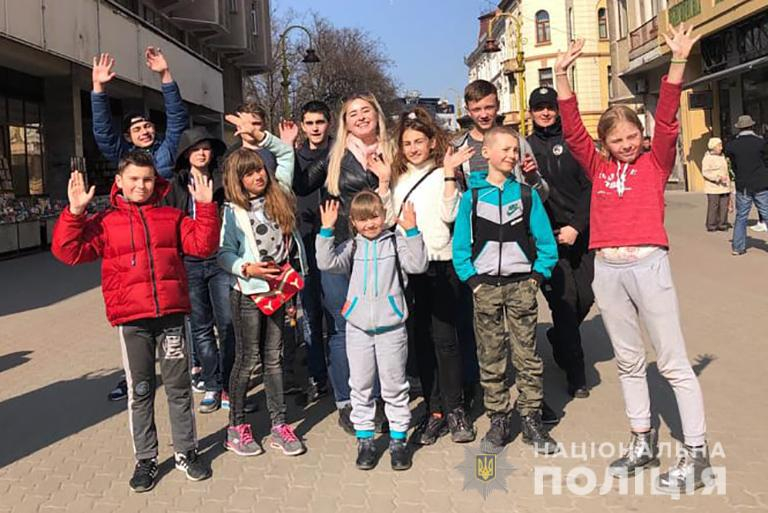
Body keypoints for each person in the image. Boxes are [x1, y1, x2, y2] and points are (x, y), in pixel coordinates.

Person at [556, 27, 712, 493]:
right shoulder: (599, 167)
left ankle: (697, 454)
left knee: (672, 362)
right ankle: (642, 440)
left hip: (648, 266)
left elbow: (668, 120)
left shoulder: (655, 163)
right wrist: (562, 75)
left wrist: (678, 61)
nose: (625, 144)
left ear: (642, 138)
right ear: (604, 143)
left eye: (632, 136)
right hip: (608, 269)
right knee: (628, 361)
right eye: (616, 139)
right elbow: (573, 131)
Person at [52, 152, 216, 492]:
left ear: (156, 181)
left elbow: (203, 246)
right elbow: (68, 252)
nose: (141, 186)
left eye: (147, 179)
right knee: (140, 391)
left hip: (171, 318)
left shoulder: (171, 216)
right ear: (119, 182)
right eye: (134, 179)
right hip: (133, 321)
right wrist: (75, 213)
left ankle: (186, 451)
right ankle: (146, 458)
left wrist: (205, 207)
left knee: (179, 389)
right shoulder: (105, 222)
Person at [452, 126, 559, 456]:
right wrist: (473, 281)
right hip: (485, 288)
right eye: (506, 149)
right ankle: (498, 418)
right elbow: (460, 247)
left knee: (527, 356)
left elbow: (546, 243)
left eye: (516, 149)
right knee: (491, 356)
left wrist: (536, 278)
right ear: (486, 153)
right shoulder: (471, 198)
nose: (513, 155)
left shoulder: (526, 196)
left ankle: (531, 418)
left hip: (521, 287)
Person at [293, 93, 395, 435]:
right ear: (345, 122)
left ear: (377, 115)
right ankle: (346, 402)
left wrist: (385, 179)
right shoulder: (335, 154)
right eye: (353, 113)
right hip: (340, 248)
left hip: (378, 251)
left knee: (377, 326)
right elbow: (301, 184)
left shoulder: (392, 151)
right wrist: (285, 146)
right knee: (341, 326)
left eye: (366, 110)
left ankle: (377, 399)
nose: (361, 117)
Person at [316, 192, 429, 471]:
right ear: (353, 222)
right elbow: (326, 263)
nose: (369, 224)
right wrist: (326, 231)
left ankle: (398, 441)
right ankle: (365, 440)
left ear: (384, 215)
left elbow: (418, 265)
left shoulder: (396, 242)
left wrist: (412, 232)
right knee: (361, 385)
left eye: (374, 217)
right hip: (358, 329)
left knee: (394, 386)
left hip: (392, 328)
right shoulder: (352, 246)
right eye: (362, 219)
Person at [218, 120, 307, 457]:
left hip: (280, 288)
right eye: (249, 173)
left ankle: (279, 425)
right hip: (248, 292)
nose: (258, 176)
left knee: (274, 358)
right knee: (247, 359)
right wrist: (246, 268)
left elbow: (285, 154)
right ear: (237, 179)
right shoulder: (232, 211)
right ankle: (236, 426)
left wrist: (260, 137)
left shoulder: (279, 193)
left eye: (259, 170)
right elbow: (223, 253)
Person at [390, 108, 476, 445]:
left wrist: (450, 175)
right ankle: (434, 409)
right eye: (407, 143)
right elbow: (387, 218)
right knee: (421, 341)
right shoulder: (397, 178)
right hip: (410, 268)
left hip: (441, 264)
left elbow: (451, 214)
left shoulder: (443, 172)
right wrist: (382, 182)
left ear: (431, 142)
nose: (413, 148)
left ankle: (455, 409)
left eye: (418, 141)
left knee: (445, 339)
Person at [163, 126, 243, 414]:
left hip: (220, 260)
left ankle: (229, 385)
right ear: (185, 154)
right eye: (195, 149)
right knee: (200, 327)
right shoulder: (175, 185)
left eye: (205, 148)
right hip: (189, 262)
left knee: (228, 324)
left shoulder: (224, 180)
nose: (201, 153)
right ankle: (211, 383)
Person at [527, 86, 594, 399]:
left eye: (550, 107)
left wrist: (577, 227)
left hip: (581, 234)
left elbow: (590, 188)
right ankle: (576, 373)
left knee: (586, 298)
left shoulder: (574, 142)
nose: (545, 112)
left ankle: (558, 337)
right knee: (564, 304)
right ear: (531, 112)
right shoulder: (526, 148)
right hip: (548, 240)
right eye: (539, 108)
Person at [279, 100, 335, 403]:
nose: (315, 128)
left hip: (336, 239)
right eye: (310, 123)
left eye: (320, 122)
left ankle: (340, 374)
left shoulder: (340, 151)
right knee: (311, 313)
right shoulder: (295, 156)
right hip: (304, 240)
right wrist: (287, 147)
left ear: (329, 123)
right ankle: (317, 375)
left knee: (336, 312)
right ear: (302, 126)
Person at [90, 49, 188, 180]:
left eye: (147, 126)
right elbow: (103, 132)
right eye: (136, 129)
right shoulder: (124, 155)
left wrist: (165, 74)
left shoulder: (168, 149)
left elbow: (177, 118)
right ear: (128, 137)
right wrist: (98, 87)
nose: (144, 132)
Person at [724, 115, 768, 255]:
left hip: (743, 185)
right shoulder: (761, 142)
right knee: (766, 213)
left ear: (739, 128)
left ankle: (738, 247)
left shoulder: (733, 145)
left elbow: (731, 160)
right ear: (752, 126)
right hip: (761, 183)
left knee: (741, 217)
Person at [700, 137, 731, 232]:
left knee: (724, 206)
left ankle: (722, 224)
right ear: (713, 147)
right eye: (719, 145)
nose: (721, 148)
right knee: (713, 206)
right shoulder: (707, 158)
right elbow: (705, 172)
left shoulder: (722, 157)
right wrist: (717, 178)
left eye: (721, 145)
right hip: (713, 187)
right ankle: (711, 225)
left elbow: (726, 172)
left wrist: (729, 185)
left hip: (724, 186)